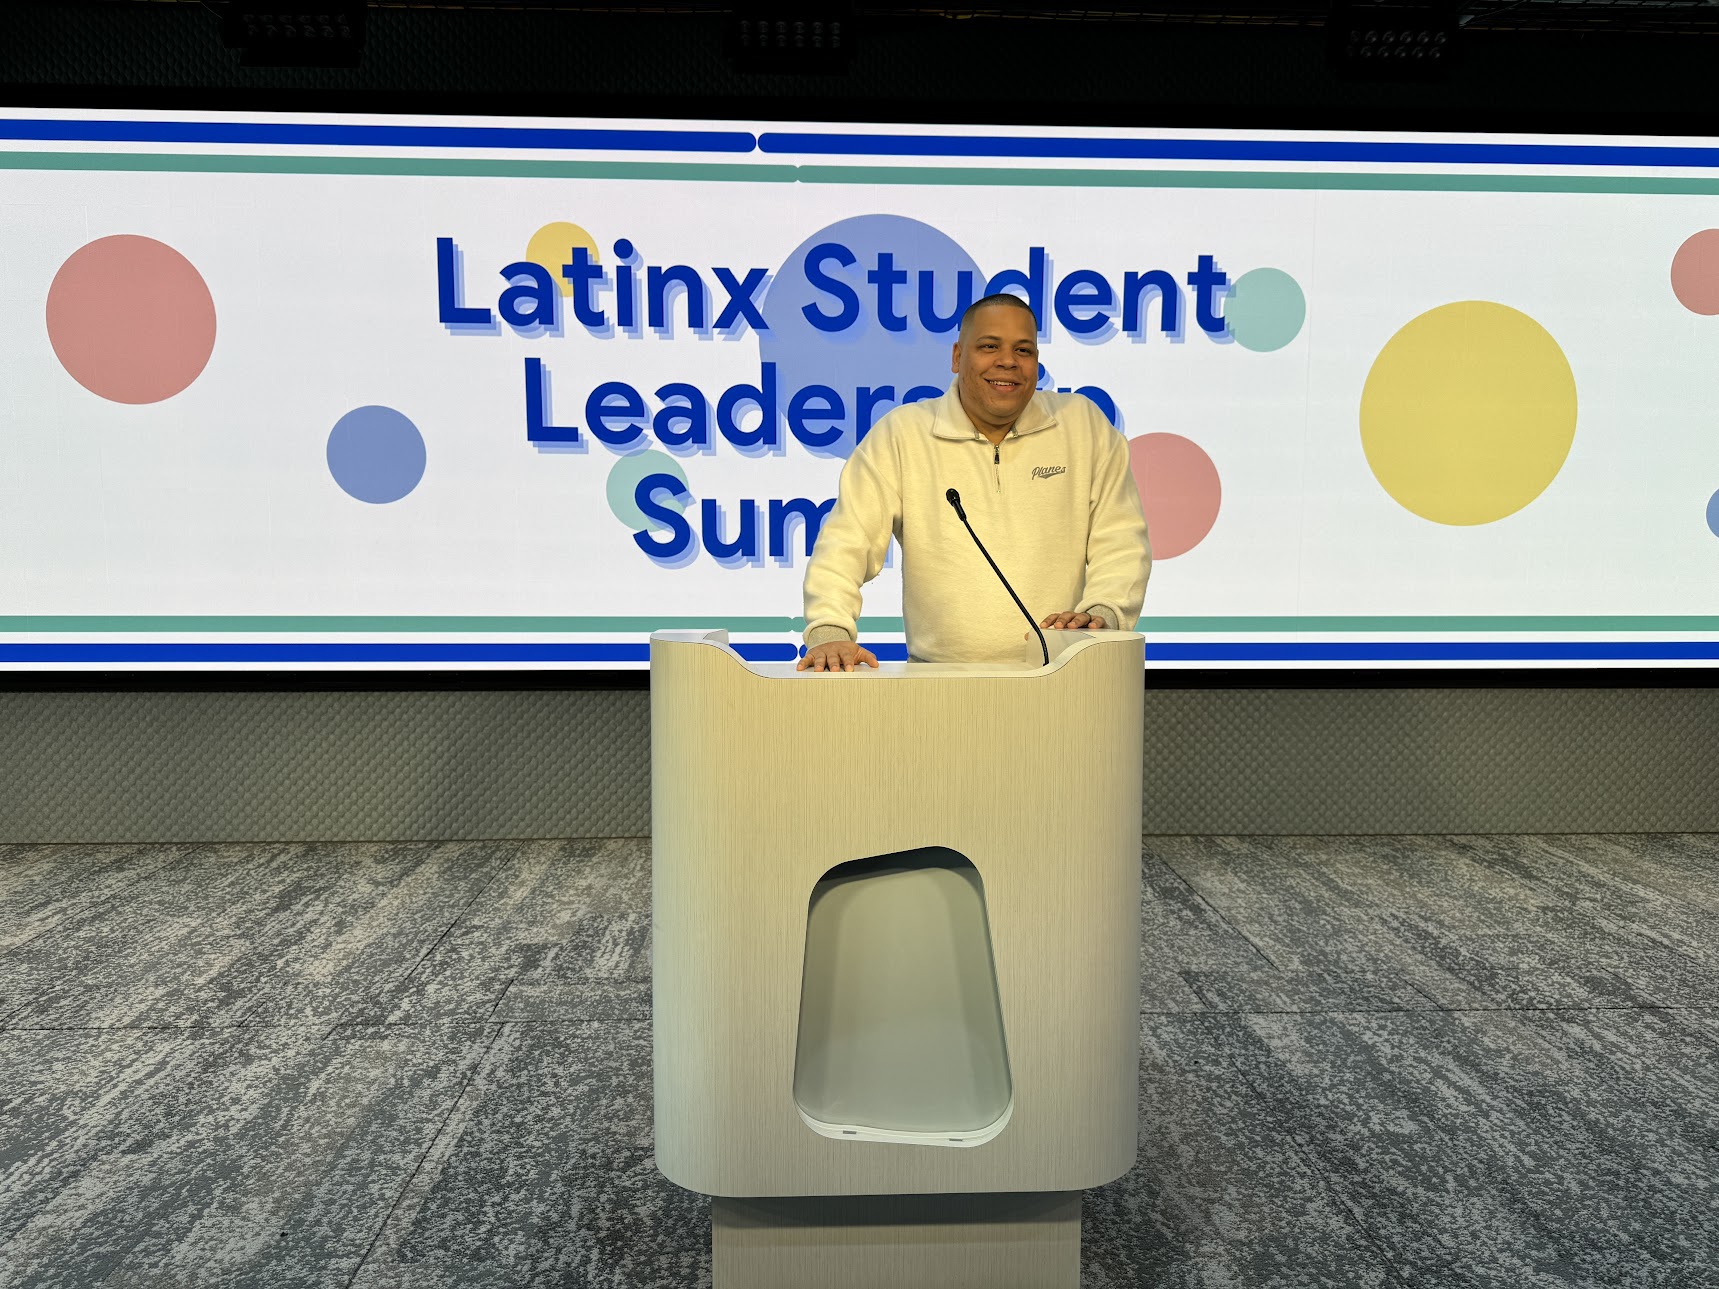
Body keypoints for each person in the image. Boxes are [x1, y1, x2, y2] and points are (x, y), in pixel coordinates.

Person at [797, 293, 1151, 671]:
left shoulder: (1084, 426)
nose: (1008, 361)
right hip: (938, 686)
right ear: (956, 357)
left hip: (1065, 679)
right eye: (989, 346)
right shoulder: (903, 434)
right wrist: (830, 633)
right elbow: (845, 543)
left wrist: (1101, 616)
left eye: (1024, 350)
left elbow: (1122, 540)